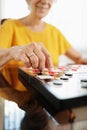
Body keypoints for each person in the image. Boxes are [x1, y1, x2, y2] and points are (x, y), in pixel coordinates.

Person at [0, 0, 87, 129]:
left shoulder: (54, 32)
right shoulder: (10, 25)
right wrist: (14, 50)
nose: (45, 1)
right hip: (20, 100)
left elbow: (79, 58)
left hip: (49, 99)